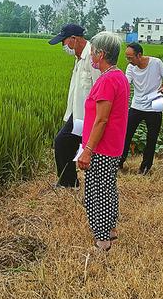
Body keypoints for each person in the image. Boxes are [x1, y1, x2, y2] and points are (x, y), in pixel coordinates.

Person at [76, 31, 130, 251]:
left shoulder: (107, 80)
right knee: (107, 188)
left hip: (102, 147)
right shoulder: (118, 76)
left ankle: (102, 240)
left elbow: (101, 120)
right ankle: (110, 230)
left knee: (96, 192)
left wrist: (88, 149)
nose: (90, 57)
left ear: (101, 54)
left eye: (93, 53)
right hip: (112, 145)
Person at [48, 23, 101, 188]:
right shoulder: (78, 58)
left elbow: (100, 87)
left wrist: (98, 117)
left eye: (64, 42)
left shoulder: (93, 57)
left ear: (74, 39)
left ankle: (74, 183)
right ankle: (69, 182)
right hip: (77, 114)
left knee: (65, 143)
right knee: (64, 144)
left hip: (90, 117)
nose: (63, 46)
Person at [120, 42, 163, 174]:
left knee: (152, 138)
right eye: (127, 58)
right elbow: (126, 83)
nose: (128, 61)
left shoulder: (156, 63)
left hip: (154, 106)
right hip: (136, 105)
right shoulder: (131, 68)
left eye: (130, 57)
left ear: (139, 55)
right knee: (126, 134)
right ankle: (119, 162)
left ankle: (145, 167)